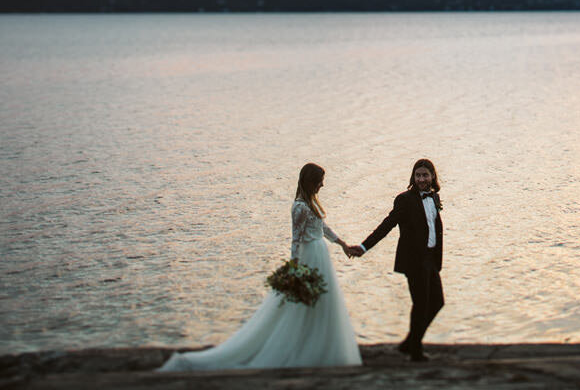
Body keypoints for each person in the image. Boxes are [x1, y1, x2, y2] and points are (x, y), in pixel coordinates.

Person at [158, 163, 362, 371]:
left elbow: (322, 228)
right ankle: (298, 348)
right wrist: (295, 269)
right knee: (300, 306)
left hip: (320, 256)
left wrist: (342, 244)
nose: (322, 185)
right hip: (309, 258)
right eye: (319, 181)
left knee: (320, 305)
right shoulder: (299, 207)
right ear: (310, 181)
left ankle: (316, 347)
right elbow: (296, 240)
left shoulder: (310, 204)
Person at [349, 159, 444, 362]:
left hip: (430, 258)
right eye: (418, 175)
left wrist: (436, 258)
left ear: (432, 177)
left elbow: (435, 228)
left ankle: (409, 343)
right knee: (420, 304)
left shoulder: (434, 197)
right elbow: (387, 225)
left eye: (425, 175)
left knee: (437, 302)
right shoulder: (405, 200)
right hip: (414, 260)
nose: (421, 179)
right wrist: (364, 247)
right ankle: (415, 351)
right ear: (413, 177)